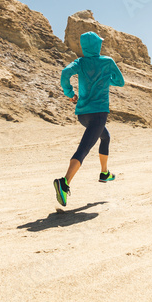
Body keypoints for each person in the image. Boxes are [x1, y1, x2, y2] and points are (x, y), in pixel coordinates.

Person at [54, 31, 125, 207]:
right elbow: (120, 81)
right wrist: (107, 79)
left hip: (83, 114)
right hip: (99, 113)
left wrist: (69, 94)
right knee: (84, 148)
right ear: (97, 46)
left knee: (105, 137)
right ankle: (64, 182)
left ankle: (104, 173)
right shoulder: (107, 61)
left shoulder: (80, 62)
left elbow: (65, 73)